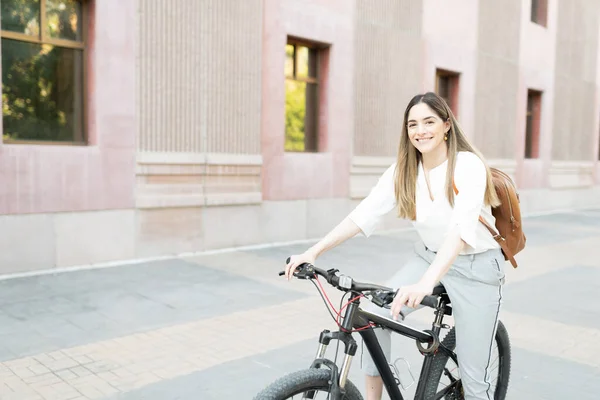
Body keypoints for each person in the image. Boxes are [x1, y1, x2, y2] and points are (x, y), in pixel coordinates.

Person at [284, 91, 506, 400]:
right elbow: (361, 216)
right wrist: (314, 251)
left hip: (476, 268)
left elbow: (460, 231)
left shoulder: (467, 165)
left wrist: (424, 285)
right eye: (412, 124)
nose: (420, 131)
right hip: (429, 257)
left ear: (446, 126)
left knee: (473, 382)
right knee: (375, 318)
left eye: (429, 122)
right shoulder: (403, 170)